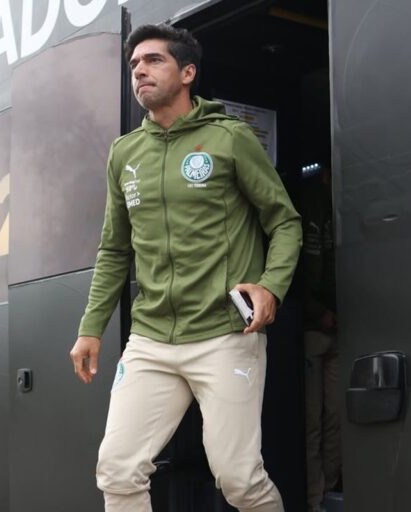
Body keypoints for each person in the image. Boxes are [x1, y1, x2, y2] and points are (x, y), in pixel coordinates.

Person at [69, 24, 302, 512]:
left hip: (224, 334)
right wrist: (91, 328)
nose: (140, 70)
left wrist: (271, 286)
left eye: (154, 60)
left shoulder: (230, 139)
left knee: (239, 481)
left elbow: (284, 221)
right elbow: (114, 249)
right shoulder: (124, 153)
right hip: (152, 339)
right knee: (117, 470)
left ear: (188, 72)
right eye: (134, 64)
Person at [301, 165, 340, 512]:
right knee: (318, 419)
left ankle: (326, 493)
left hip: (330, 326)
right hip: (315, 329)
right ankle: (318, 497)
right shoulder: (311, 207)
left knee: (332, 417)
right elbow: (300, 276)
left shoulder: (333, 210)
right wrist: (319, 313)